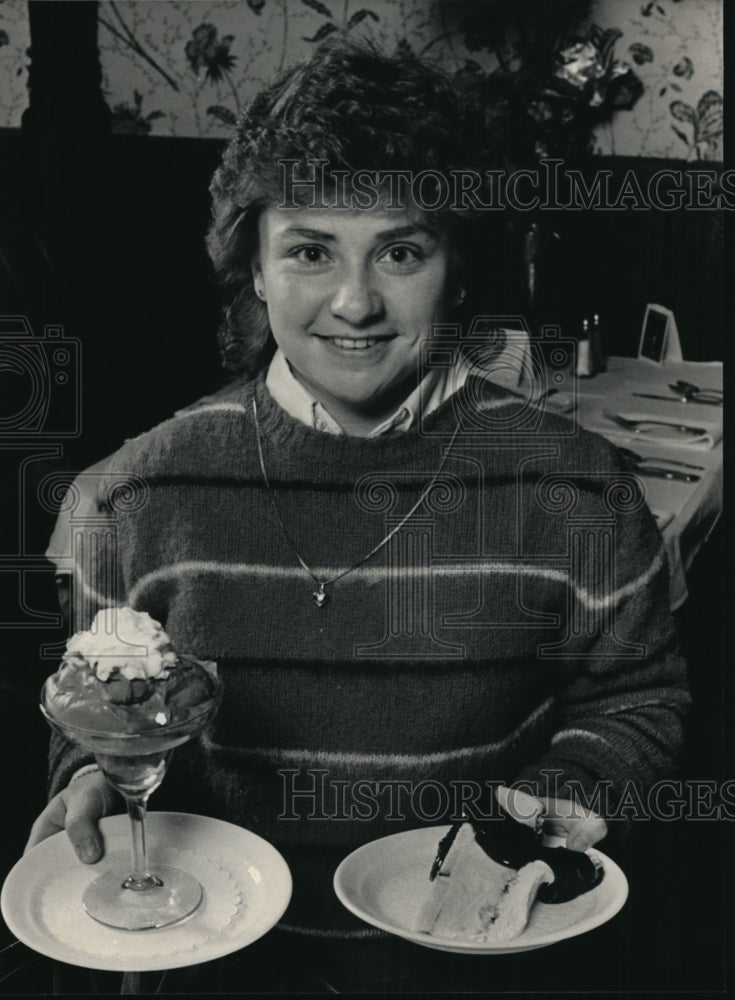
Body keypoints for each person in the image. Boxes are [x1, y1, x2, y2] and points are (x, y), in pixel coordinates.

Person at [27, 37, 689, 992]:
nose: (354, 301)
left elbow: (636, 696)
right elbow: (98, 708)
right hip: (213, 967)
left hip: (471, 965)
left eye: (400, 251)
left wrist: (571, 788)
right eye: (307, 250)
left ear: (455, 267)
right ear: (251, 268)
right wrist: (89, 777)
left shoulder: (579, 486)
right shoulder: (137, 494)